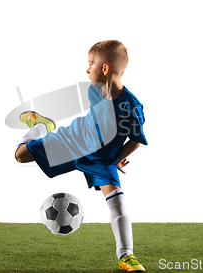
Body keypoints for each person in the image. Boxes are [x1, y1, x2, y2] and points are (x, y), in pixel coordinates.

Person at [14, 40, 148, 272]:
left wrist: (116, 159)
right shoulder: (95, 90)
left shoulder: (132, 107)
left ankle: (127, 256)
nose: (87, 70)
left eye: (90, 64)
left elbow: (136, 139)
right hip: (72, 141)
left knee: (117, 198)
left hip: (100, 160)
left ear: (104, 68)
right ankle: (40, 126)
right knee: (21, 155)